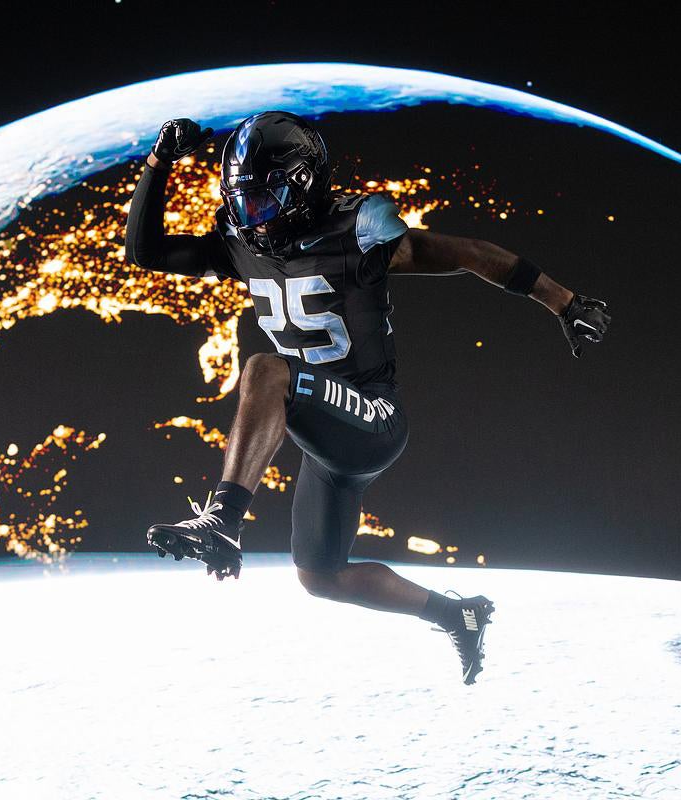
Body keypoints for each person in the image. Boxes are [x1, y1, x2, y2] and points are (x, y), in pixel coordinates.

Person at [124, 113, 610, 684]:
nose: (251, 217)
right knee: (321, 576)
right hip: (325, 439)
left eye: (264, 200)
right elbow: (145, 251)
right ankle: (460, 615)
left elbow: (470, 252)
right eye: (243, 202)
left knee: (266, 370)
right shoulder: (241, 244)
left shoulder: (359, 232)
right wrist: (158, 165)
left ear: (303, 185)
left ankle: (223, 521)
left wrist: (566, 302)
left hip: (375, 418)